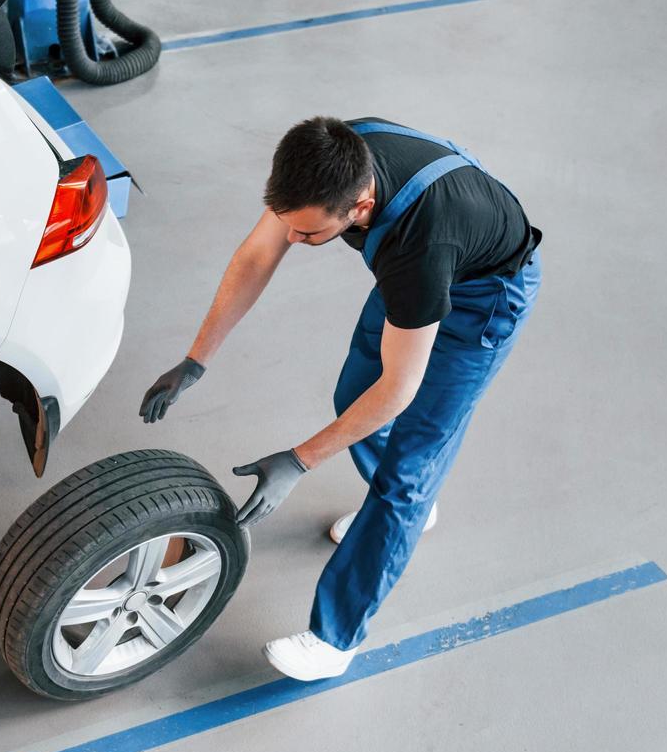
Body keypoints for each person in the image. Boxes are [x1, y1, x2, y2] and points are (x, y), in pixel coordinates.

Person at [139, 116, 542, 681]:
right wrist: (196, 360)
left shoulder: (417, 251)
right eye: (291, 228)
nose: (295, 242)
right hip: (431, 261)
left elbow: (398, 392)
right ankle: (402, 510)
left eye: (309, 236)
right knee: (353, 392)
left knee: (409, 467)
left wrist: (298, 460)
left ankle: (336, 640)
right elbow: (258, 255)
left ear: (360, 206)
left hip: (485, 296)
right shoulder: (328, 156)